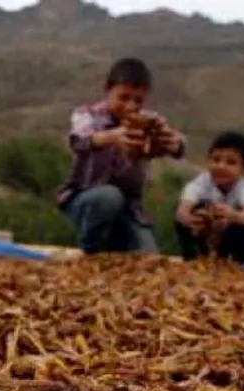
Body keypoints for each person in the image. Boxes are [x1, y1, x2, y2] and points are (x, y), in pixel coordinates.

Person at [56, 58, 187, 255]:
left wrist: (173, 144)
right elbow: (79, 140)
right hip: (85, 197)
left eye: (138, 100)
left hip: (129, 207)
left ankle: (115, 243)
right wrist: (112, 137)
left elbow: (177, 143)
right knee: (108, 197)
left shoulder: (148, 121)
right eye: (123, 98)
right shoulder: (87, 115)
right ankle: (90, 252)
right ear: (108, 90)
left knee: (149, 257)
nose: (130, 106)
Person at [173, 131, 244, 263]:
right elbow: (181, 210)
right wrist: (190, 220)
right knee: (183, 208)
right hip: (205, 231)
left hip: (231, 234)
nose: (221, 166)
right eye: (216, 160)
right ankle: (193, 257)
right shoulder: (202, 182)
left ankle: (239, 261)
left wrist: (232, 216)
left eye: (231, 162)